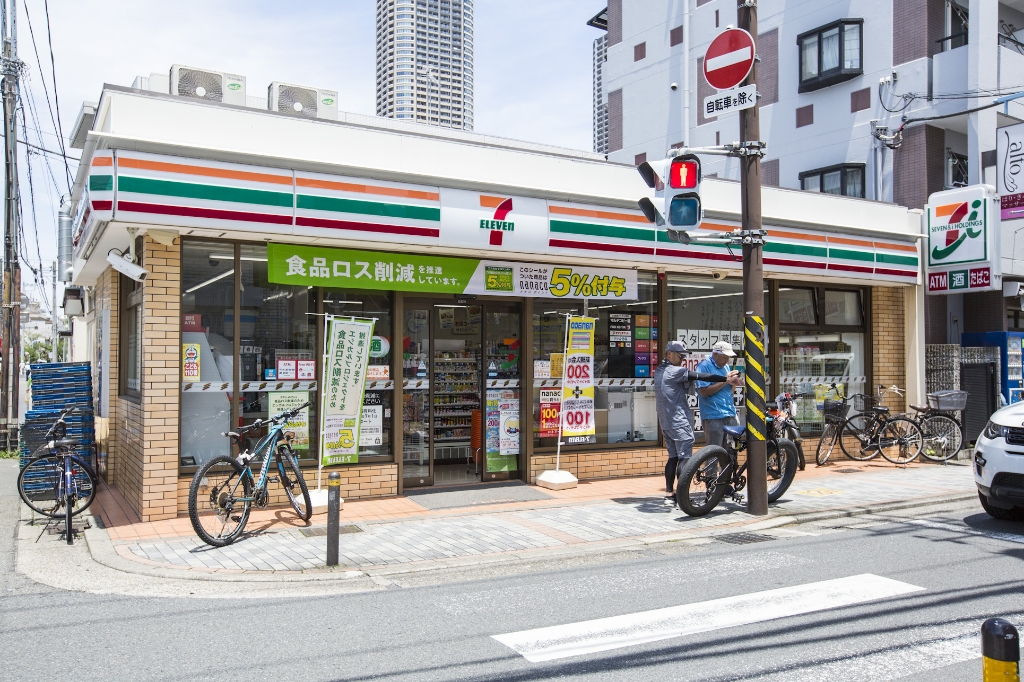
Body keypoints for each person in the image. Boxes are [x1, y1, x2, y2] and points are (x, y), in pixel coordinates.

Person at [655, 339, 730, 504]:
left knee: (673, 457)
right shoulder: (674, 371)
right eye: (680, 356)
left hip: (665, 422)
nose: (682, 359)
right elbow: (699, 376)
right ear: (669, 354)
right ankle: (683, 496)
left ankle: (669, 494)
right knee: (684, 459)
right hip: (678, 421)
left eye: (684, 356)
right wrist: (724, 379)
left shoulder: (659, 371)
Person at [696, 340, 745, 448]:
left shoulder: (725, 367)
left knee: (731, 453)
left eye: (728, 358)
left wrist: (733, 383)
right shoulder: (704, 366)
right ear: (715, 354)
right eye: (725, 357)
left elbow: (729, 393)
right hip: (713, 416)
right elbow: (703, 392)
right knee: (714, 453)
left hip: (730, 413)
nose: (727, 361)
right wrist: (725, 381)